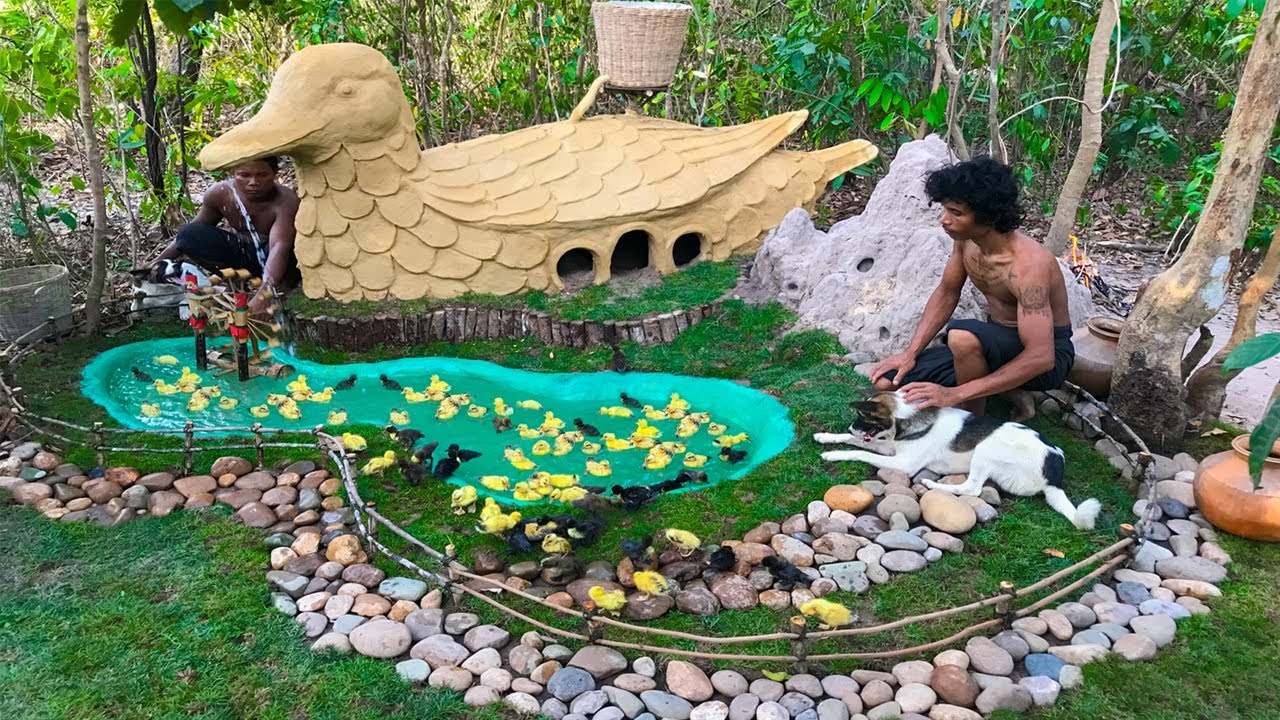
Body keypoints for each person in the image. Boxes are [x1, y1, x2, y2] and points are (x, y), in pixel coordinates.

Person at [868, 157, 1074, 421]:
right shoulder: (967, 241)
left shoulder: (1029, 266)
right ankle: (1011, 393)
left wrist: (954, 394)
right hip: (996, 344)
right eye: (944, 209)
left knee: (962, 336)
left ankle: (970, 422)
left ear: (989, 215)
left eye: (956, 212)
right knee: (887, 383)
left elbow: (1041, 356)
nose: (944, 220)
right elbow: (947, 292)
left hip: (1050, 358)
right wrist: (910, 354)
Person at [151, 156, 299, 316]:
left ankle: (281, 287)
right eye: (244, 175)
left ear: (275, 173)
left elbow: (279, 246)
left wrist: (266, 292)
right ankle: (237, 281)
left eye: (262, 175)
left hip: (281, 261)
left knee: (287, 250)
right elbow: (187, 236)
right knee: (189, 234)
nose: (254, 182)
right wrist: (153, 266)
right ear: (232, 173)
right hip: (243, 256)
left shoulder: (286, 200)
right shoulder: (220, 194)